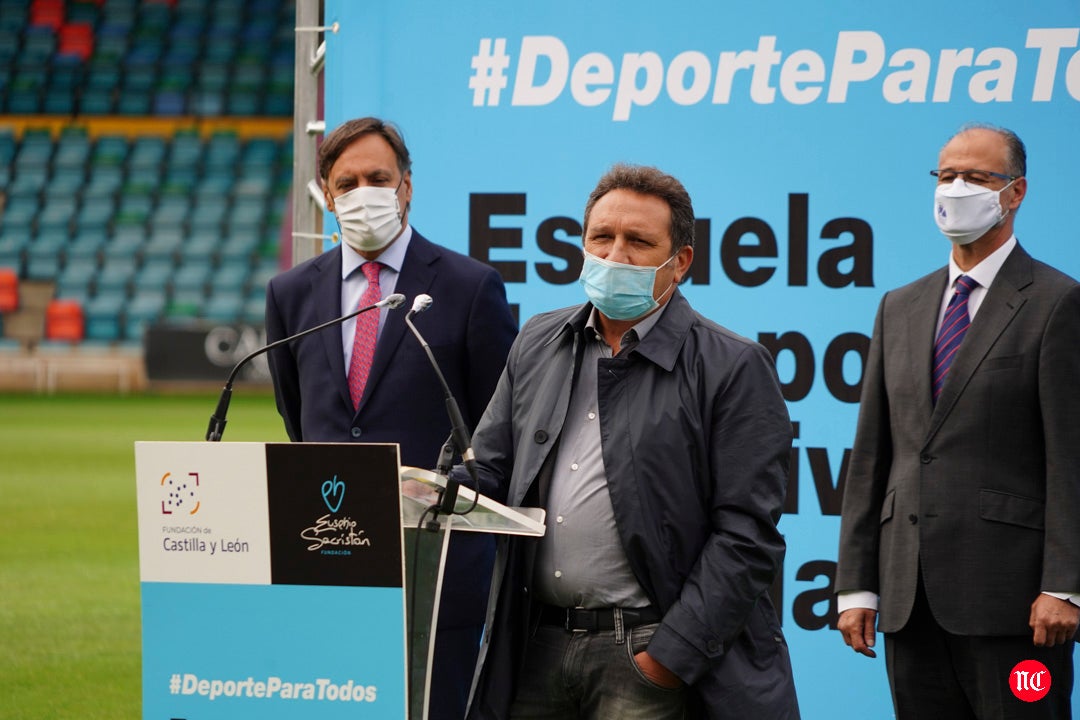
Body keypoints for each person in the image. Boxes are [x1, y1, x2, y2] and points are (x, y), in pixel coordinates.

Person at [460, 163, 800, 719]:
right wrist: (433, 485)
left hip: (645, 653)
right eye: (602, 237)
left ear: (680, 262)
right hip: (536, 646)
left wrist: (667, 657)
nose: (615, 254)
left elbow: (747, 537)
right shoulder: (538, 341)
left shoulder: (733, 365)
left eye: (639, 242)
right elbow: (489, 471)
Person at [264, 116, 518, 719]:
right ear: (326, 195)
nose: (362, 193)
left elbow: (499, 427)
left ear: (406, 186)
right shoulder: (291, 293)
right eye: (346, 182)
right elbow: (298, 419)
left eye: (378, 177)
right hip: (327, 558)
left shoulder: (470, 286)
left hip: (437, 570)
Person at [836, 123, 1080, 718]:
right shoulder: (900, 305)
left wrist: (1063, 586)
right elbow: (874, 454)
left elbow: (1071, 459)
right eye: (946, 175)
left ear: (1015, 192)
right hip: (908, 599)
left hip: (1014, 605)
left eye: (977, 176)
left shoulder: (1057, 301)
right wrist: (857, 585)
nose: (957, 188)